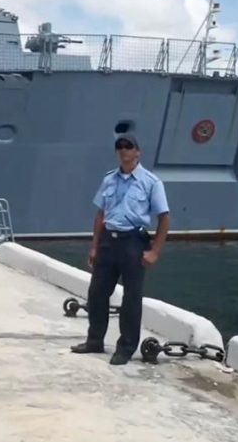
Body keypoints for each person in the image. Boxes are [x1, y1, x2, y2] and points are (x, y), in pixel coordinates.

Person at [70, 133, 171, 365]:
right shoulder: (109, 180)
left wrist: (155, 251)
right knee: (96, 293)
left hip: (133, 242)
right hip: (108, 241)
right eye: (120, 147)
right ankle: (94, 340)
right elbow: (101, 213)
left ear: (138, 152)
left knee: (131, 298)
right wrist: (94, 247)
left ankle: (125, 348)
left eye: (128, 146)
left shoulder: (151, 183)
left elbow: (164, 218)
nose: (124, 150)